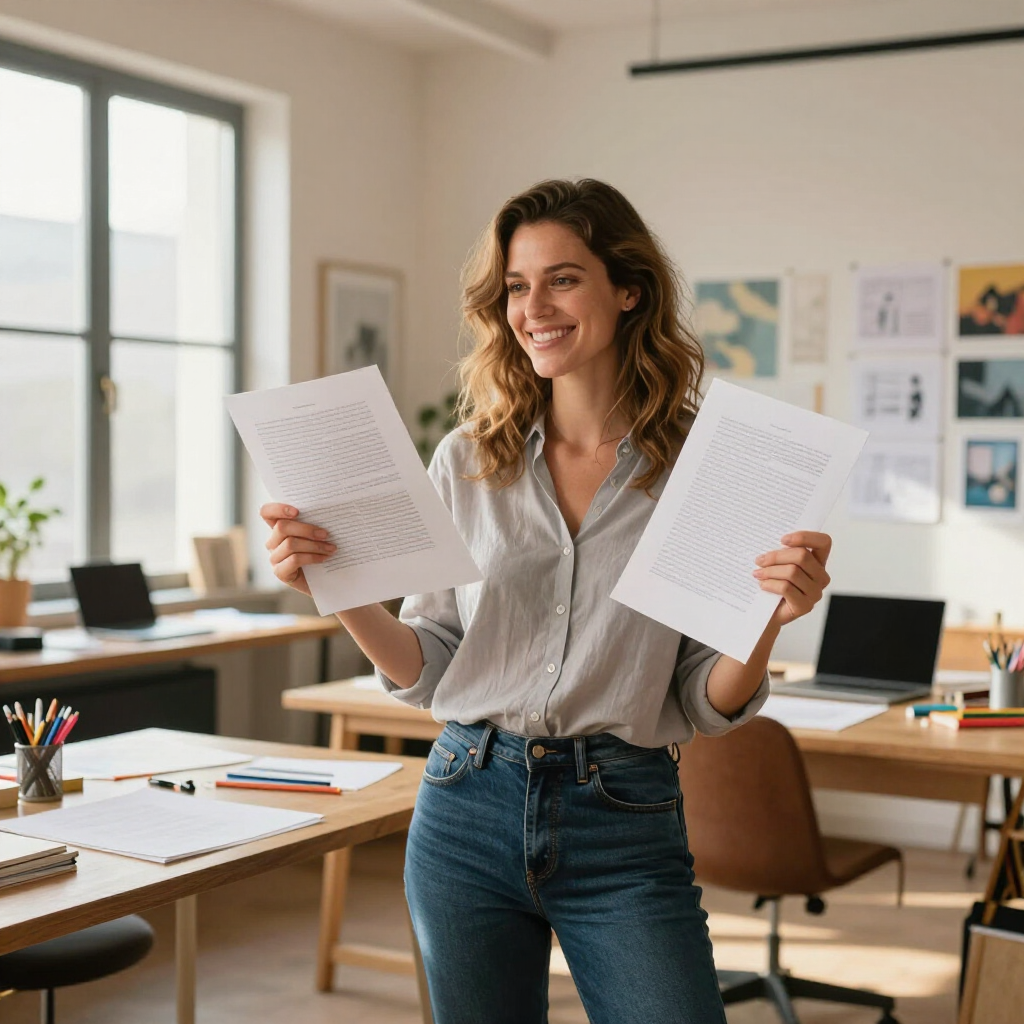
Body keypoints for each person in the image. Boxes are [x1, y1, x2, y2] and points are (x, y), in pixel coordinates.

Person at [261, 179, 833, 1024]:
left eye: (563, 279)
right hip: (465, 802)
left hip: (624, 817)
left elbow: (701, 700)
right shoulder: (466, 459)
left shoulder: (702, 469)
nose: (535, 307)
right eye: (518, 287)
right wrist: (336, 586)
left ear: (626, 289)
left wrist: (763, 623)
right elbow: (431, 664)